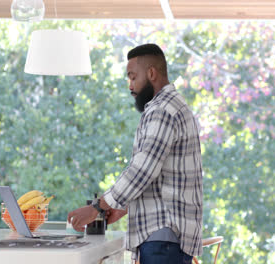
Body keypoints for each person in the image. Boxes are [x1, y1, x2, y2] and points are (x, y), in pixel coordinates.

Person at [67, 43, 203, 264]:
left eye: (133, 77)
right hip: (166, 238)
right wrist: (122, 207)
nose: (130, 86)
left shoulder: (162, 111)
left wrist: (97, 207)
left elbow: (142, 170)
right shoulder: (171, 106)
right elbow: (158, 177)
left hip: (163, 239)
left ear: (151, 73)